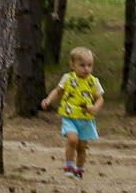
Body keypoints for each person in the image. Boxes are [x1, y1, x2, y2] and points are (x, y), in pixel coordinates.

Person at [40, 46, 104, 179]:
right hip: (69, 116)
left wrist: (95, 107)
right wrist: (48, 99)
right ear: (73, 65)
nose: (86, 69)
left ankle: (79, 170)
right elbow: (58, 91)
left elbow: (100, 98)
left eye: (89, 65)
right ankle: (69, 166)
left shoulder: (94, 81)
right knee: (73, 140)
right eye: (82, 65)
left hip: (86, 119)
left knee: (82, 146)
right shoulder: (68, 78)